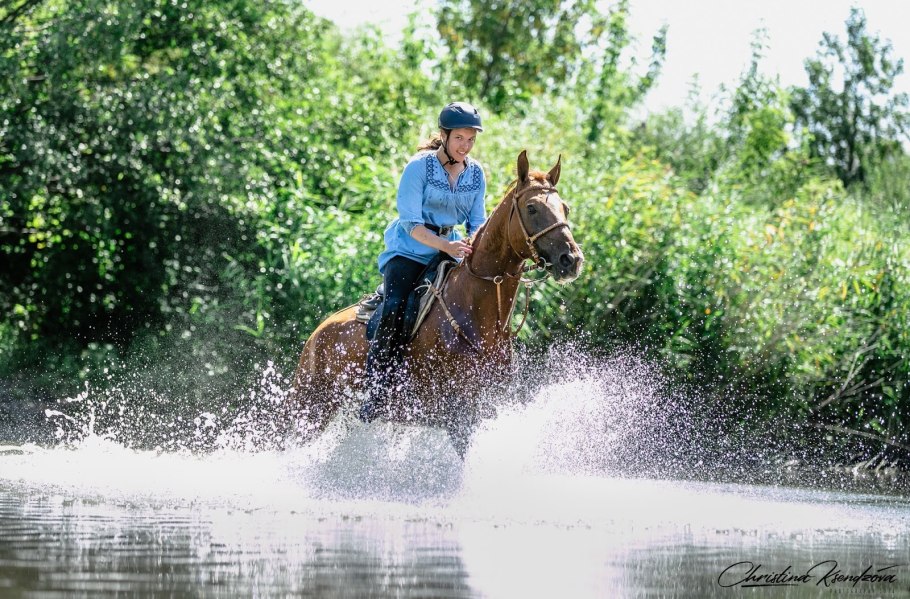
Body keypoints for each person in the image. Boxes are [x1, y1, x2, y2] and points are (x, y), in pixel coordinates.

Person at [358, 101, 487, 423]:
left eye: (471, 140)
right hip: (409, 248)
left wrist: (474, 244)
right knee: (396, 305)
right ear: (444, 135)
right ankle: (375, 388)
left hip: (452, 248)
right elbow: (410, 223)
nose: (465, 146)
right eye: (459, 138)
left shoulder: (476, 173)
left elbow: (477, 221)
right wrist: (447, 245)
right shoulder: (418, 167)